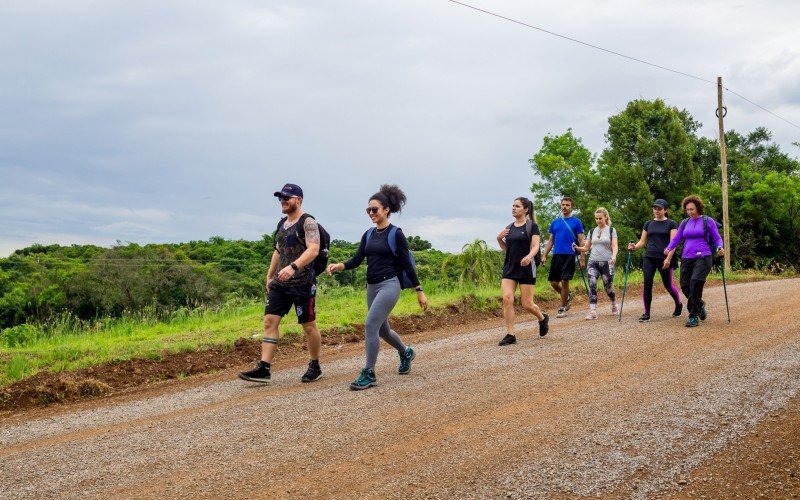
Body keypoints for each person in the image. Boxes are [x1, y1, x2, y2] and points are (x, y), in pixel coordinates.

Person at [327, 184, 428, 390]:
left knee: (370, 324)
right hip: (371, 286)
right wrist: (340, 266)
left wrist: (419, 290)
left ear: (386, 210)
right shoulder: (369, 234)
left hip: (390, 285)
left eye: (375, 209)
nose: (371, 213)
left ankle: (369, 373)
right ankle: (406, 352)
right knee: (383, 330)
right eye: (368, 210)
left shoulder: (396, 234)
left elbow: (407, 264)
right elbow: (357, 259)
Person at [239, 183, 324, 384]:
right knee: (270, 321)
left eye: (287, 197)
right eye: (281, 198)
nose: (283, 201)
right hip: (280, 283)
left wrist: (293, 267)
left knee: (308, 325)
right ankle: (264, 368)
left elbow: (313, 249)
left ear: (299, 200)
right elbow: (278, 251)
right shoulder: (281, 224)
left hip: (303, 282)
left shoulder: (308, 222)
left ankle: (315, 365)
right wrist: (270, 276)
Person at [664, 195, 725, 328]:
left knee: (695, 283)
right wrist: (669, 248)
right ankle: (699, 304)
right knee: (685, 285)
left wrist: (720, 247)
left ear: (698, 208)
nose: (690, 212)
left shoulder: (708, 221)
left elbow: (717, 238)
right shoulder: (685, 222)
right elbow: (677, 238)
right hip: (687, 257)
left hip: (704, 257)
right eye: (687, 210)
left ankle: (693, 316)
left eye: (692, 209)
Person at [496, 197, 550, 346]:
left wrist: (529, 256)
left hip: (527, 267)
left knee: (526, 304)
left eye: (517, 206)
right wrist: (499, 239)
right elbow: (508, 249)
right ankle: (510, 334)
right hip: (510, 267)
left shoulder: (532, 226)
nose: (513, 208)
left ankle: (542, 318)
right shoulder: (509, 227)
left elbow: (536, 246)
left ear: (526, 210)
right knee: (507, 298)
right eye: (513, 206)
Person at [627, 199, 682, 322]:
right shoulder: (648, 223)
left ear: (665, 210)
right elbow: (642, 241)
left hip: (664, 258)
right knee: (647, 283)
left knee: (668, 285)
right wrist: (634, 247)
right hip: (649, 257)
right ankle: (646, 313)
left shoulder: (671, 223)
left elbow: (674, 243)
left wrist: (668, 258)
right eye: (655, 208)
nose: (657, 211)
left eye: (659, 208)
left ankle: (678, 304)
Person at [541, 197, 585, 318]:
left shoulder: (577, 222)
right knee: (554, 283)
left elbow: (581, 240)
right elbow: (550, 240)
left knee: (565, 280)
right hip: (556, 255)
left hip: (570, 255)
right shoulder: (555, 222)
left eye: (567, 205)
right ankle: (567, 296)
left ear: (572, 207)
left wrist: (582, 257)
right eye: (563, 205)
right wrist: (544, 255)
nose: (564, 207)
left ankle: (562, 308)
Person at [573, 207, 618, 320]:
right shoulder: (592, 231)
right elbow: (586, 247)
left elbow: (614, 246)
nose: (598, 220)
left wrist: (613, 256)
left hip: (607, 262)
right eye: (596, 219)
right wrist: (578, 248)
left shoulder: (612, 230)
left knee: (608, 287)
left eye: (600, 218)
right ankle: (593, 311)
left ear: (605, 217)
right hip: (593, 261)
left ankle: (613, 303)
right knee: (592, 284)